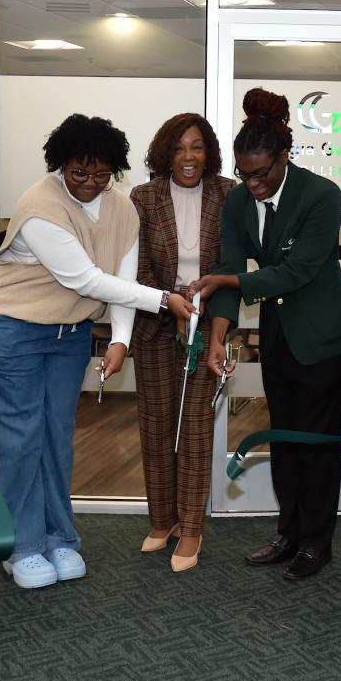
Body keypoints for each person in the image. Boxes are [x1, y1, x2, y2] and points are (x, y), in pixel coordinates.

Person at [0, 114, 194, 590]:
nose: (90, 184)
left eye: (102, 174)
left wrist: (118, 341)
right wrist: (163, 300)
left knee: (56, 437)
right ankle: (22, 545)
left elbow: (123, 279)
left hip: (67, 336)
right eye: (79, 173)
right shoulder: (39, 205)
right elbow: (84, 278)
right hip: (12, 330)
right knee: (18, 440)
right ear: (60, 166)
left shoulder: (122, 209)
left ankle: (58, 537)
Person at [193, 88, 341, 582]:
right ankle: (289, 534)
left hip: (322, 335)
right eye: (245, 173)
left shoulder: (322, 195)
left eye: (262, 173)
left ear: (285, 156)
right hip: (279, 336)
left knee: (317, 444)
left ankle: (316, 543)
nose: (253, 183)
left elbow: (296, 271)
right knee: (285, 439)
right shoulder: (239, 199)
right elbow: (227, 266)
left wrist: (227, 282)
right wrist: (217, 337)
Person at [129, 113, 233, 573]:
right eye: (178, 148)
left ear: (207, 152)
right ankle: (162, 520)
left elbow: (233, 261)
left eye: (196, 147)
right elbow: (134, 267)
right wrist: (166, 300)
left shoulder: (228, 195)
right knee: (155, 426)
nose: (188, 157)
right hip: (155, 326)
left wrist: (203, 304)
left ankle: (191, 527)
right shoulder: (143, 197)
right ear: (164, 153)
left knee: (194, 429)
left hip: (205, 328)